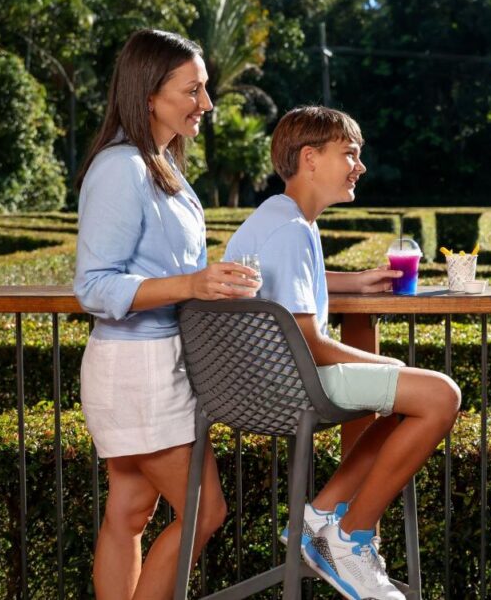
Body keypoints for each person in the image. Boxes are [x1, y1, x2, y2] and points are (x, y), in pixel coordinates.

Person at [224, 106, 461, 600]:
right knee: (439, 396)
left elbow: (284, 285)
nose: (360, 165)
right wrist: (386, 364)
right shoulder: (291, 230)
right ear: (310, 158)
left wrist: (350, 282)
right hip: (290, 382)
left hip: (261, 378)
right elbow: (309, 341)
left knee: (406, 402)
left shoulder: (280, 218)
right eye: (349, 154)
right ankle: (349, 539)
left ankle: (316, 518)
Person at [74, 29, 261, 599]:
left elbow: (173, 273)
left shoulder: (160, 165)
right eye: (193, 89)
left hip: (154, 361)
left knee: (130, 511)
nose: (206, 103)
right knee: (204, 512)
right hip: (137, 369)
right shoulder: (121, 168)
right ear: (149, 94)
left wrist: (211, 284)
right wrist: (193, 282)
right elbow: (94, 286)